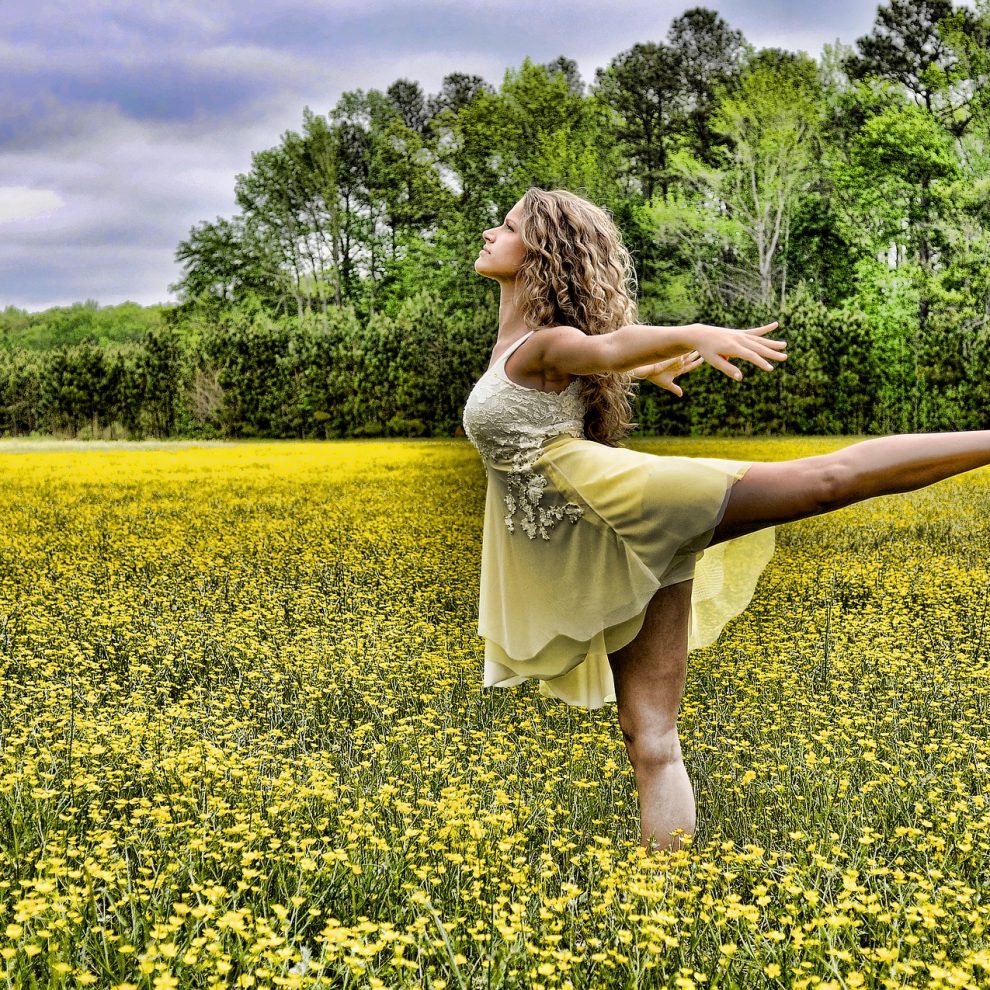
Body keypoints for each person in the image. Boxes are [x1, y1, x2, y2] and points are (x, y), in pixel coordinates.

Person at [462, 186, 990, 853]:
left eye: (504, 226)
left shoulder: (546, 343)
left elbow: (608, 346)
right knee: (646, 729)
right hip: (598, 536)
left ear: (539, 252)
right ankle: (673, 896)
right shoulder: (522, 342)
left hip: (614, 503)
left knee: (827, 479)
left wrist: (691, 335)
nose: (488, 232)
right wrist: (655, 366)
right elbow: (599, 361)